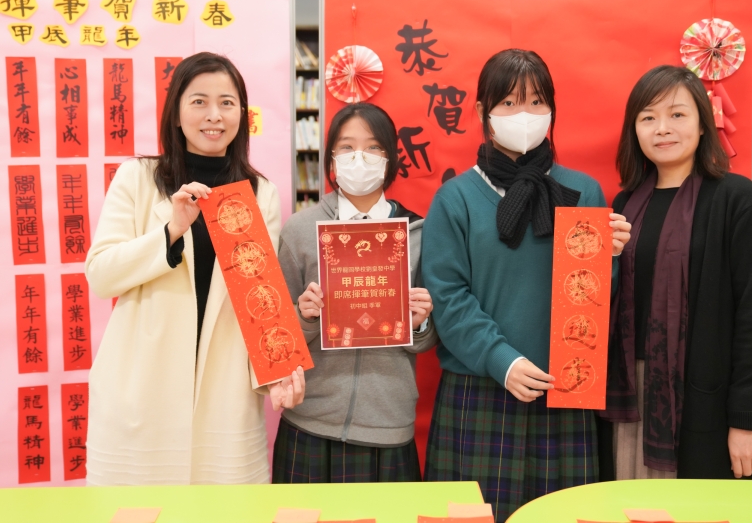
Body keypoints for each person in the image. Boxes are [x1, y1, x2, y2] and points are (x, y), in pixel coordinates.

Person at [421, 48, 631, 522]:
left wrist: (611, 257)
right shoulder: (455, 199)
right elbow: (448, 297)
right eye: (510, 103)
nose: (525, 114)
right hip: (480, 390)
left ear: (552, 109)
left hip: (565, 390)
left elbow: (595, 297)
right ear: (483, 111)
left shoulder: (583, 192)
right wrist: (504, 361)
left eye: (537, 102)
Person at [85, 52, 305, 486]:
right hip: (142, 389)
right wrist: (171, 230)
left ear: (242, 114)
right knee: (138, 510)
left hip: (224, 397)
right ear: (176, 113)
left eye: (227, 103)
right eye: (199, 101)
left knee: (226, 509)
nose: (214, 115)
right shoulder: (138, 177)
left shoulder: (259, 192)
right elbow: (102, 274)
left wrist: (277, 374)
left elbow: (261, 298)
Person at [598, 65, 752, 481]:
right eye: (648, 117)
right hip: (628, 395)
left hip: (704, 398)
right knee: (626, 504)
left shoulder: (737, 199)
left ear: (702, 123)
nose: (662, 128)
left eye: (677, 114)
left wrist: (746, 420)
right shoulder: (624, 204)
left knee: (698, 506)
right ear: (634, 131)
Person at [274, 102, 436, 483]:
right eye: (347, 147)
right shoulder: (300, 230)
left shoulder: (416, 233)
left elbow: (428, 339)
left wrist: (419, 323)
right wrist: (305, 316)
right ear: (331, 158)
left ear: (390, 158)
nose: (359, 157)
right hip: (309, 421)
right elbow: (276, 338)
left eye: (373, 147)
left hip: (388, 422)